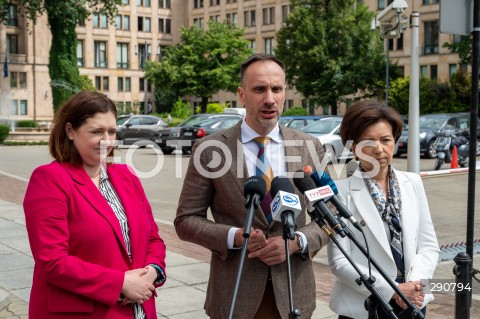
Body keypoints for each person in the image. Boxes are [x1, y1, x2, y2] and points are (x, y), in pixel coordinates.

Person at [175, 53, 330, 319]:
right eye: (259, 89)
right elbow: (186, 220)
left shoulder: (308, 147)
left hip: (295, 295)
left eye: (276, 89)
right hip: (235, 294)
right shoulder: (210, 149)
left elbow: (330, 217)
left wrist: (298, 242)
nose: (269, 98)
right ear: (242, 94)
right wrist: (236, 235)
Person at [23, 91, 167, 319]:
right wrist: (119, 283)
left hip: (137, 309)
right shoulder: (50, 179)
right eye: (97, 132)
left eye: (112, 131)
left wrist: (152, 271)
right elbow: (52, 261)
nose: (107, 141)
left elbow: (153, 238)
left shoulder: (126, 175)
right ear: (70, 131)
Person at [328, 100, 440, 319]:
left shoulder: (413, 182)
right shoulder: (340, 192)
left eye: (386, 140)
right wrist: (392, 290)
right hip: (365, 306)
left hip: (413, 301)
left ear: (395, 142)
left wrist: (414, 285)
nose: (379, 149)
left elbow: (429, 246)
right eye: (369, 141)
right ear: (354, 147)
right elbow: (339, 263)